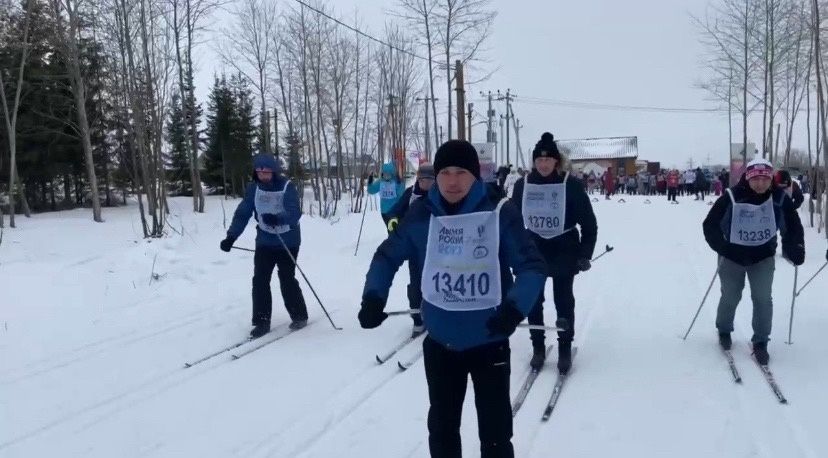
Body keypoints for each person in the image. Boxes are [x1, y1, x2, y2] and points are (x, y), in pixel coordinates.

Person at [358, 140, 546, 458]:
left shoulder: (498, 210)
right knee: (443, 431)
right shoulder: (423, 212)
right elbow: (387, 255)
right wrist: (373, 297)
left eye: (461, 172)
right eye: (445, 172)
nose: (452, 181)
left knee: (496, 433)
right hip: (441, 343)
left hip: (490, 339)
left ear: (475, 175)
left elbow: (531, 265)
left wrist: (514, 308)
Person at [702, 158, 805, 365]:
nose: (760, 183)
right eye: (755, 179)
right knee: (730, 296)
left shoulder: (778, 198)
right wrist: (722, 246)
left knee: (763, 299)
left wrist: (795, 247)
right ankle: (724, 329)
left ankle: (761, 342)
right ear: (748, 178)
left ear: (771, 179)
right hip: (732, 257)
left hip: (762, 257)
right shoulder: (732, 196)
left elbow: (792, 226)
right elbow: (710, 224)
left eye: (765, 179)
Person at [510, 132, 598, 373]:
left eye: (548, 160)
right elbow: (511, 223)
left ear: (556, 162)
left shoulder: (571, 185)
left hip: (563, 249)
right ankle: (538, 346)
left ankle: (564, 348)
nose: (543, 164)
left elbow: (589, 224)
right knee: (533, 301)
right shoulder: (522, 186)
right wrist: (512, 251)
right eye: (539, 160)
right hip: (533, 250)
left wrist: (585, 253)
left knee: (563, 300)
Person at [220, 154, 309, 338]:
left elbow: (294, 212)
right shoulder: (254, 188)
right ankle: (261, 321)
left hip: (288, 240)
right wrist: (231, 237)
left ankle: (299, 315)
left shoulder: (286, 186)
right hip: (265, 241)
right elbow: (243, 213)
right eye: (259, 173)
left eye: (267, 173)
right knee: (260, 279)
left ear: (274, 172)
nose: (263, 176)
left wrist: (278, 218)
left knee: (286, 278)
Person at [385, 163, 436, 336]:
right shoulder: (410, 194)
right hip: (415, 250)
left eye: (429, 179)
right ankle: (418, 320)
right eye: (422, 179)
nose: (425, 183)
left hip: (438, 251)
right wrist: (393, 223)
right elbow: (393, 212)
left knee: (435, 286)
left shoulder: (441, 196)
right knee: (416, 286)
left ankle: (436, 318)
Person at [367, 162, 406, 231]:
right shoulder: (380, 182)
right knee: (391, 230)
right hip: (384, 212)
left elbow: (401, 195)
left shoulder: (395, 182)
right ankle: (393, 240)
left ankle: (394, 240)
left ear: (392, 174)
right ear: (382, 173)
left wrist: (400, 183)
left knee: (394, 230)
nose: (386, 176)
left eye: (388, 174)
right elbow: (371, 190)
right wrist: (370, 181)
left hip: (395, 211)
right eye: (385, 174)